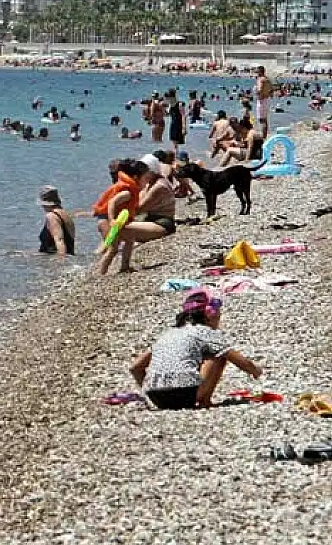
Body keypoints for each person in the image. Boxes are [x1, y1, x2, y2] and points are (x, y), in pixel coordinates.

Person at [129, 290, 262, 409]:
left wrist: (150, 389)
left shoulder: (168, 334)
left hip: (157, 399)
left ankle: (162, 393)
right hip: (186, 394)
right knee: (218, 354)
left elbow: (135, 367)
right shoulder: (205, 332)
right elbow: (235, 357)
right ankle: (205, 401)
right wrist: (255, 371)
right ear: (209, 315)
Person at [94, 157, 155, 275]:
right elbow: (112, 202)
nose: (147, 182)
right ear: (136, 178)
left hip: (117, 220)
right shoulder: (127, 192)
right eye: (146, 179)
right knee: (113, 248)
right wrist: (111, 220)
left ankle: (125, 267)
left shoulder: (132, 189)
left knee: (130, 239)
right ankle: (100, 273)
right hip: (106, 219)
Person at [37, 186, 75, 255]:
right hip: (68, 255)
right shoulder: (67, 215)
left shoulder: (51, 216)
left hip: (53, 259)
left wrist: (60, 262)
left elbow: (59, 240)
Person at [255, 66, 273, 137]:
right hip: (267, 100)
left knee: (261, 119)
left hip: (262, 100)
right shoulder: (267, 79)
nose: (256, 74)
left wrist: (256, 92)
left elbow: (259, 89)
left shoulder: (260, 79)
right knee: (265, 119)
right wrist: (267, 94)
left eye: (257, 72)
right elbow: (271, 91)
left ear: (260, 72)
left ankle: (263, 136)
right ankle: (265, 135)